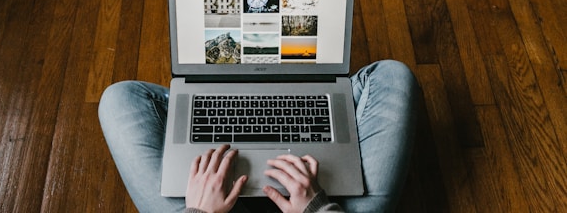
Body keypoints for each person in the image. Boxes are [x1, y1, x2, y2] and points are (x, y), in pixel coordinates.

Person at [99, 60, 421, 213]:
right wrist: (316, 209)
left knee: (118, 99)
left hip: (212, 210)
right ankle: (319, 91)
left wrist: (198, 212)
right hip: (316, 207)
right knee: (392, 75)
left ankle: (206, 97)